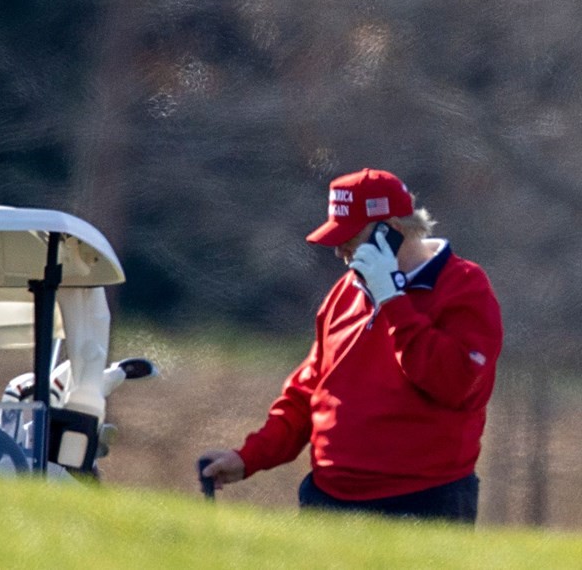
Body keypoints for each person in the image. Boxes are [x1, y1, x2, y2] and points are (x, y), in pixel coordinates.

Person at [199, 168, 503, 523]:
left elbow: (456, 384)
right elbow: (308, 394)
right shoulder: (344, 293)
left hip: (423, 501)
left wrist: (392, 300)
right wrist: (249, 457)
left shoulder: (465, 286)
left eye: (352, 238)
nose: (341, 251)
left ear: (393, 230)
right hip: (328, 498)